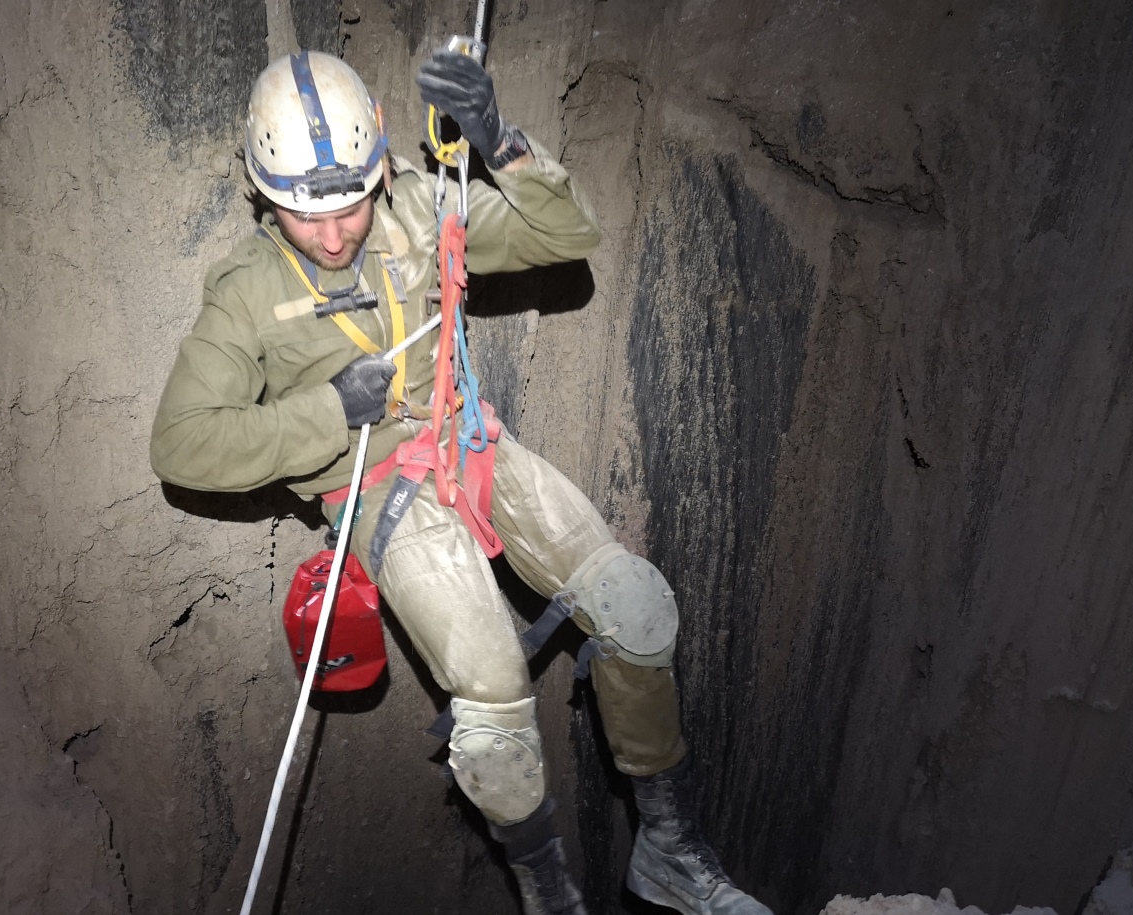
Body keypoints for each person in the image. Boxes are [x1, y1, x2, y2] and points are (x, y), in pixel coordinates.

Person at [150, 48, 771, 915]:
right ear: (265, 195)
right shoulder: (248, 295)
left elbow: (568, 236)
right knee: (493, 711)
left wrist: (497, 141)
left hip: (467, 438)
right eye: (303, 215)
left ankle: (667, 849)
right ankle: (549, 895)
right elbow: (181, 444)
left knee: (637, 611)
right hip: (373, 490)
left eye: (350, 205)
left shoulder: (415, 206)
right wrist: (328, 411)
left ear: (377, 177)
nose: (333, 235)